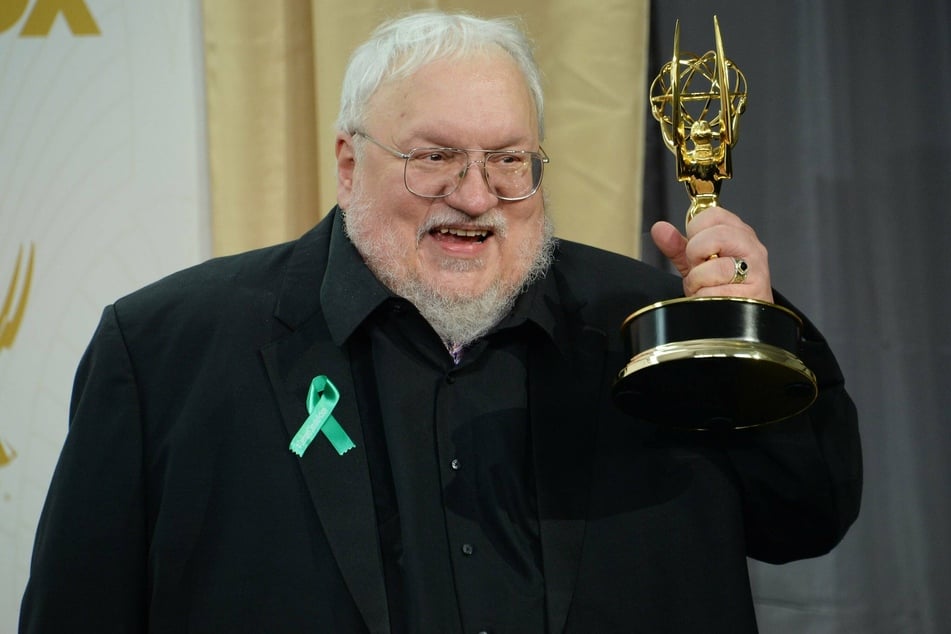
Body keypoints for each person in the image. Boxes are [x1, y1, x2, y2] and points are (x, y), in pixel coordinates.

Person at [19, 10, 861, 634]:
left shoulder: (646, 329)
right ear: (349, 162)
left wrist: (753, 328)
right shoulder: (167, 350)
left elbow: (806, 518)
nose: (473, 195)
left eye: (507, 161)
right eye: (434, 158)